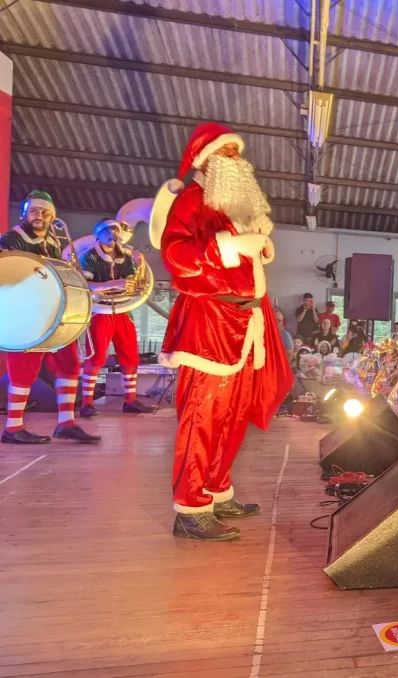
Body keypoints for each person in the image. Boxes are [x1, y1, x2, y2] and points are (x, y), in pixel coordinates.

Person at [155, 122, 292, 540]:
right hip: (210, 324)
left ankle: (215, 489)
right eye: (226, 153)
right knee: (202, 416)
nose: (236, 160)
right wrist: (229, 248)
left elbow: (239, 263)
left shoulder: (229, 207)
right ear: (206, 160)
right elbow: (177, 257)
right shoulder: (193, 200)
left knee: (232, 417)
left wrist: (257, 248)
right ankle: (191, 509)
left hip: (243, 322)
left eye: (237, 153)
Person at [0, 190, 101, 444]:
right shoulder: (11, 239)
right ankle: (13, 428)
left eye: (45, 212)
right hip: (25, 312)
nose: (39, 216)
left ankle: (66, 423)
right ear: (25, 212)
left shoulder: (54, 241)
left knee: (69, 363)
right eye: (34, 210)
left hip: (52, 310)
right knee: (24, 369)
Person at [78, 219, 156, 418]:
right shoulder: (89, 256)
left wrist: (139, 267)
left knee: (130, 355)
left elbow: (132, 281)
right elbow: (85, 286)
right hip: (101, 311)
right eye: (108, 230)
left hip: (123, 310)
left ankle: (130, 401)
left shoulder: (126, 257)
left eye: (116, 230)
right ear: (99, 233)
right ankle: (86, 403)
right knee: (96, 357)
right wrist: (114, 284)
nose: (113, 234)